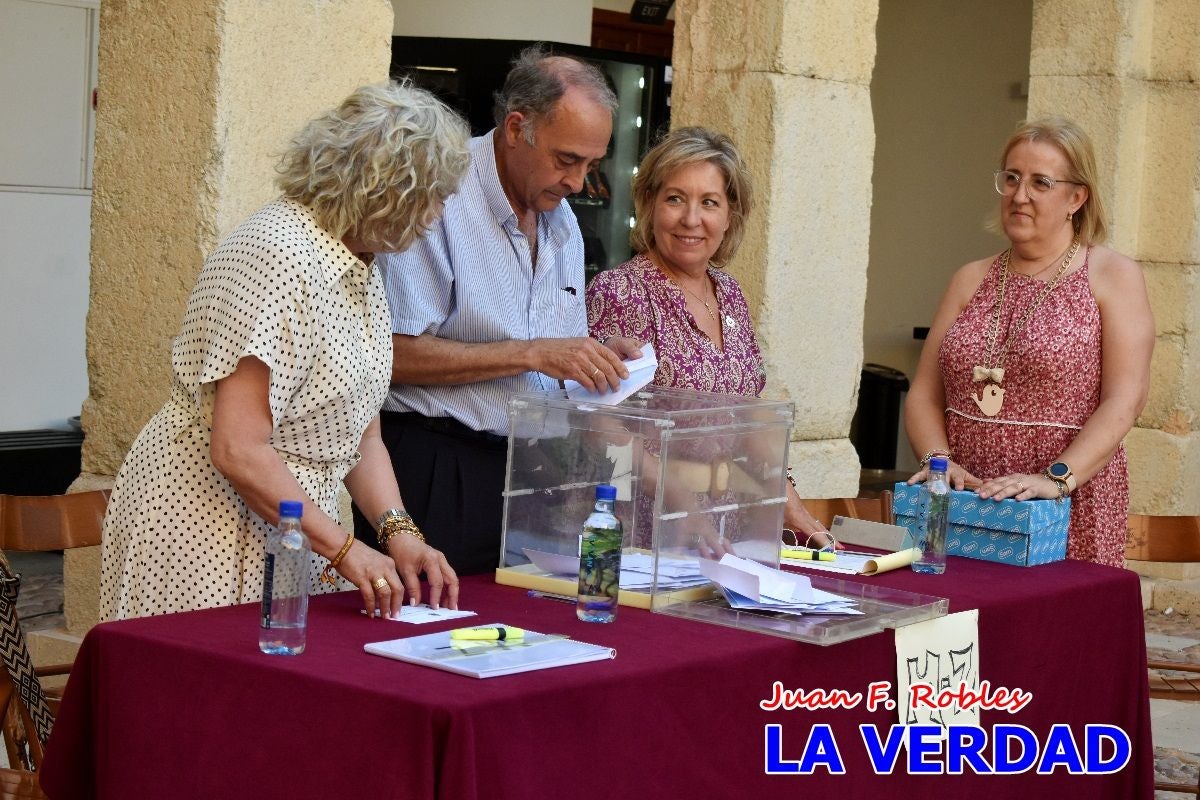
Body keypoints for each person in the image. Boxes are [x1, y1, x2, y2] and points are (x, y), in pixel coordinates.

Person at [100, 83, 468, 621]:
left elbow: (358, 431)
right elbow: (239, 448)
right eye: (432, 197)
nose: (437, 215)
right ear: (387, 189)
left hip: (294, 526)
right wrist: (345, 549)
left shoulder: (362, 262)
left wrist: (400, 533)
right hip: (204, 521)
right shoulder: (274, 254)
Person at [363, 45, 641, 576]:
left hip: (533, 475)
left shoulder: (562, 220)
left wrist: (592, 358)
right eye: (567, 160)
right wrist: (532, 354)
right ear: (517, 128)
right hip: (436, 464)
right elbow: (387, 353)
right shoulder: (438, 195)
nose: (580, 183)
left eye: (591, 164)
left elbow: (549, 352)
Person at [904, 116, 1153, 568]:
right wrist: (941, 467)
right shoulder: (969, 278)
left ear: (1076, 197)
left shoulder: (1111, 276)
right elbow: (923, 392)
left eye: (1041, 182)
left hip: (1065, 503)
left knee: (1054, 632)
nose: (1020, 195)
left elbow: (1126, 399)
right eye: (1012, 178)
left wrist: (1054, 480)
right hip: (965, 502)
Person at [586, 126, 831, 547]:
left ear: (730, 215)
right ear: (649, 203)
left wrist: (794, 510)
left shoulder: (731, 294)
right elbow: (597, 424)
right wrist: (680, 500)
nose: (691, 220)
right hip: (643, 524)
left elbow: (748, 420)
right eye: (675, 199)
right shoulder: (619, 292)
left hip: (725, 524)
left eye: (710, 203)